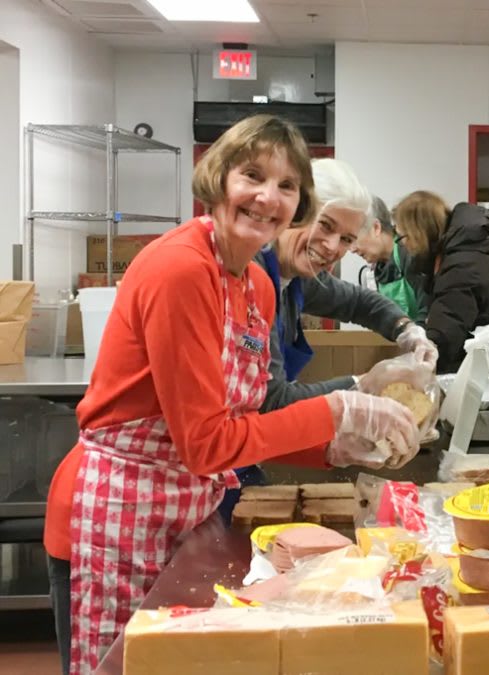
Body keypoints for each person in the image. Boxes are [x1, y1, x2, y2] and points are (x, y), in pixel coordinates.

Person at [43, 115, 422, 675]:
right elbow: (206, 444)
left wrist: (331, 450)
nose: (268, 197)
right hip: (118, 513)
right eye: (252, 175)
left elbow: (245, 419)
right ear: (217, 179)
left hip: (185, 514)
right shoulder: (180, 270)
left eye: (287, 186)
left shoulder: (257, 283)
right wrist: (337, 408)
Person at [255, 159, 436, 413]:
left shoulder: (297, 278)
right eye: (326, 225)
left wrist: (408, 330)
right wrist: (363, 385)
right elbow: (272, 400)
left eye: (346, 239)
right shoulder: (252, 280)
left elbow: (358, 302)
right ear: (296, 210)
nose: (331, 246)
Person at [391, 190, 489, 373]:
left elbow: (444, 337)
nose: (402, 245)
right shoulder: (459, 261)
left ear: (418, 233)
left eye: (403, 237)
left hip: (488, 384)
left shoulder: (460, 269)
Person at [353, 195, 428, 320]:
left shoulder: (409, 251)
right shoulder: (374, 271)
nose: (352, 249)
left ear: (376, 228)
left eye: (353, 239)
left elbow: (427, 309)